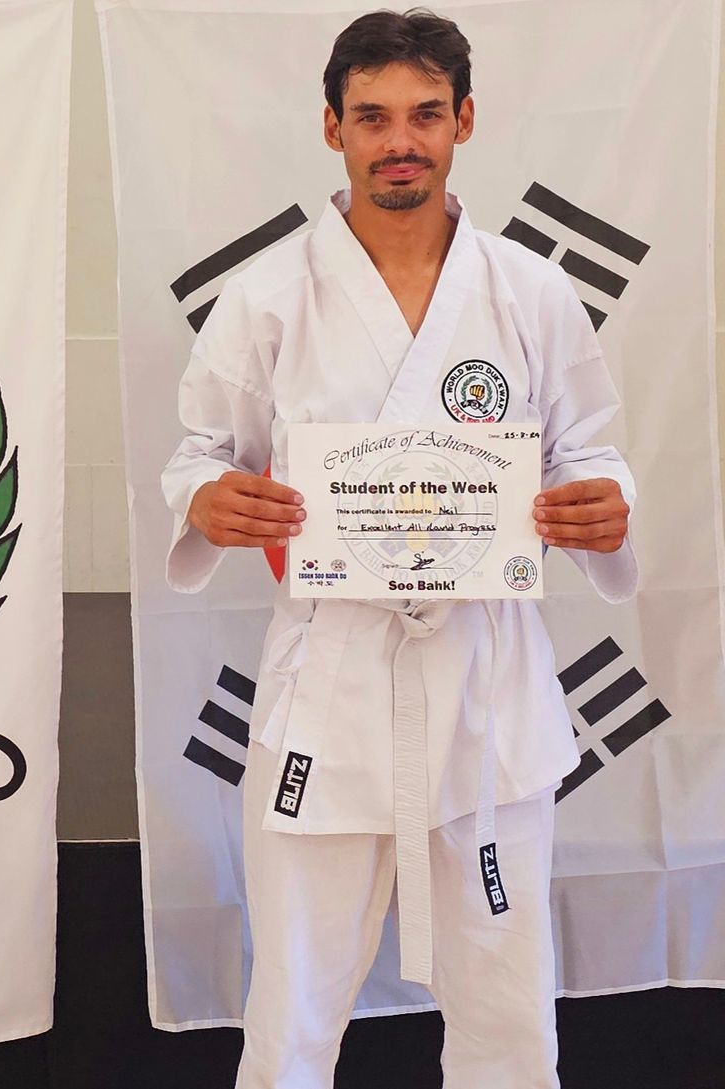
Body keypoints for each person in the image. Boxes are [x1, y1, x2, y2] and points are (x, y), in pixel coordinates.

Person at [160, 10, 634, 1088]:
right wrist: (207, 500)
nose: (399, 141)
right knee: (292, 1008)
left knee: (508, 1006)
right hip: (328, 690)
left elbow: (589, 450)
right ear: (333, 129)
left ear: (465, 121)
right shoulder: (268, 296)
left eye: (424, 114)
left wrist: (605, 504)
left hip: (487, 688)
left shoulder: (531, 291)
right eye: (372, 118)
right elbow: (198, 454)